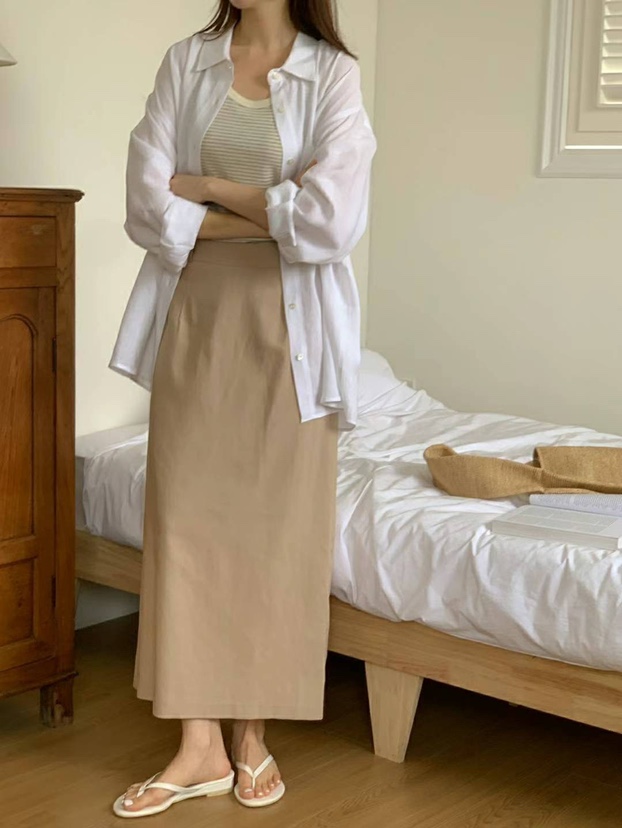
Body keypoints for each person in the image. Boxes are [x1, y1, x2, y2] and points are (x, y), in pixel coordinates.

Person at [109, 0, 376, 816]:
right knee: (185, 522)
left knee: (273, 530)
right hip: (198, 316)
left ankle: (252, 736)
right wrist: (267, 208)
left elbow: (331, 222)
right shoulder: (186, 63)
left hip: (291, 331)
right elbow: (146, 205)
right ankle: (199, 747)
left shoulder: (333, 75)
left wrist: (210, 190)